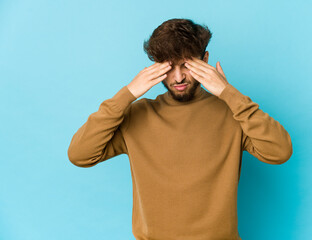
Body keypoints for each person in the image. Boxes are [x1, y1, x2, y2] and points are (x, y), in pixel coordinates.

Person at [67, 18, 293, 240]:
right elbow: (80, 155)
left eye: (186, 64)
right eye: (168, 66)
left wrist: (228, 93)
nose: (178, 77)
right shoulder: (137, 115)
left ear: (205, 59)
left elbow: (280, 152)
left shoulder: (233, 113)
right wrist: (127, 94)